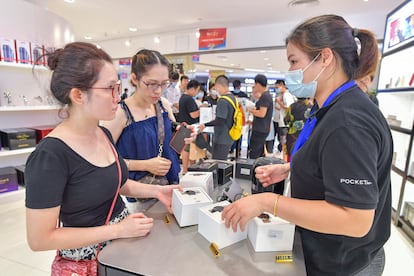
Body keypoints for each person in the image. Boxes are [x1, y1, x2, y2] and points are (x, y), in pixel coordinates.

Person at [222, 15, 392, 276]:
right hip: (326, 252)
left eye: (294, 61)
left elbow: (356, 219)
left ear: (325, 57)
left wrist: (268, 202)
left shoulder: (348, 121)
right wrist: (292, 169)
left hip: (345, 264)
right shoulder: (328, 108)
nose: (290, 72)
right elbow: (334, 160)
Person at [25, 42, 180, 265]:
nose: (118, 96)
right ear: (78, 95)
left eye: (118, 87)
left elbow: (116, 181)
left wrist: (158, 191)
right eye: (110, 89)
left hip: (119, 252)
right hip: (88, 262)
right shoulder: (50, 155)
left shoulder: (102, 134)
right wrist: (115, 230)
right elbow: (39, 239)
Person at [102, 49, 183, 205]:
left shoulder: (163, 105)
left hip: (169, 185)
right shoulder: (120, 114)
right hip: (135, 195)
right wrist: (145, 165)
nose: (158, 90)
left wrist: (184, 137)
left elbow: (170, 144)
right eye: (151, 84)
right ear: (134, 79)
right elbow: (105, 163)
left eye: (164, 84)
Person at [199, 75, 237, 160]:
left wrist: (205, 124)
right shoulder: (232, 98)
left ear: (219, 86)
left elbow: (220, 120)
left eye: (216, 88)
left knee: (218, 163)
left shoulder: (223, 101)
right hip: (229, 135)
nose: (216, 90)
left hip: (222, 138)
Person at [179, 79, 202, 173]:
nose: (197, 92)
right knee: (189, 150)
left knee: (186, 149)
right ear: (192, 89)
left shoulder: (183, 97)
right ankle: (188, 169)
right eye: (197, 90)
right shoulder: (188, 99)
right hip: (190, 127)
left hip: (184, 126)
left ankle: (187, 169)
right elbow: (193, 115)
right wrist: (202, 110)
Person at [248, 74, 273, 159]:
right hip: (262, 128)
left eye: (255, 84)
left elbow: (262, 114)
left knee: (254, 153)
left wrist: (249, 110)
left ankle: (253, 170)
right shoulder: (266, 96)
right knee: (259, 152)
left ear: (258, 84)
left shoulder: (265, 97)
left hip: (260, 130)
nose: (254, 86)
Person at [283, 97, 313, 161]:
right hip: (307, 136)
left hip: (292, 137)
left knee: (291, 156)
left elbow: (286, 120)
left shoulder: (292, 107)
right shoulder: (311, 107)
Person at [275, 79, 295, 156]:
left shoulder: (287, 95)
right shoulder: (282, 95)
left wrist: (279, 103)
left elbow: (288, 107)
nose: (277, 89)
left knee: (283, 140)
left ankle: (283, 155)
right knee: (281, 139)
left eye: (278, 87)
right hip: (281, 121)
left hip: (285, 123)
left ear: (282, 86)